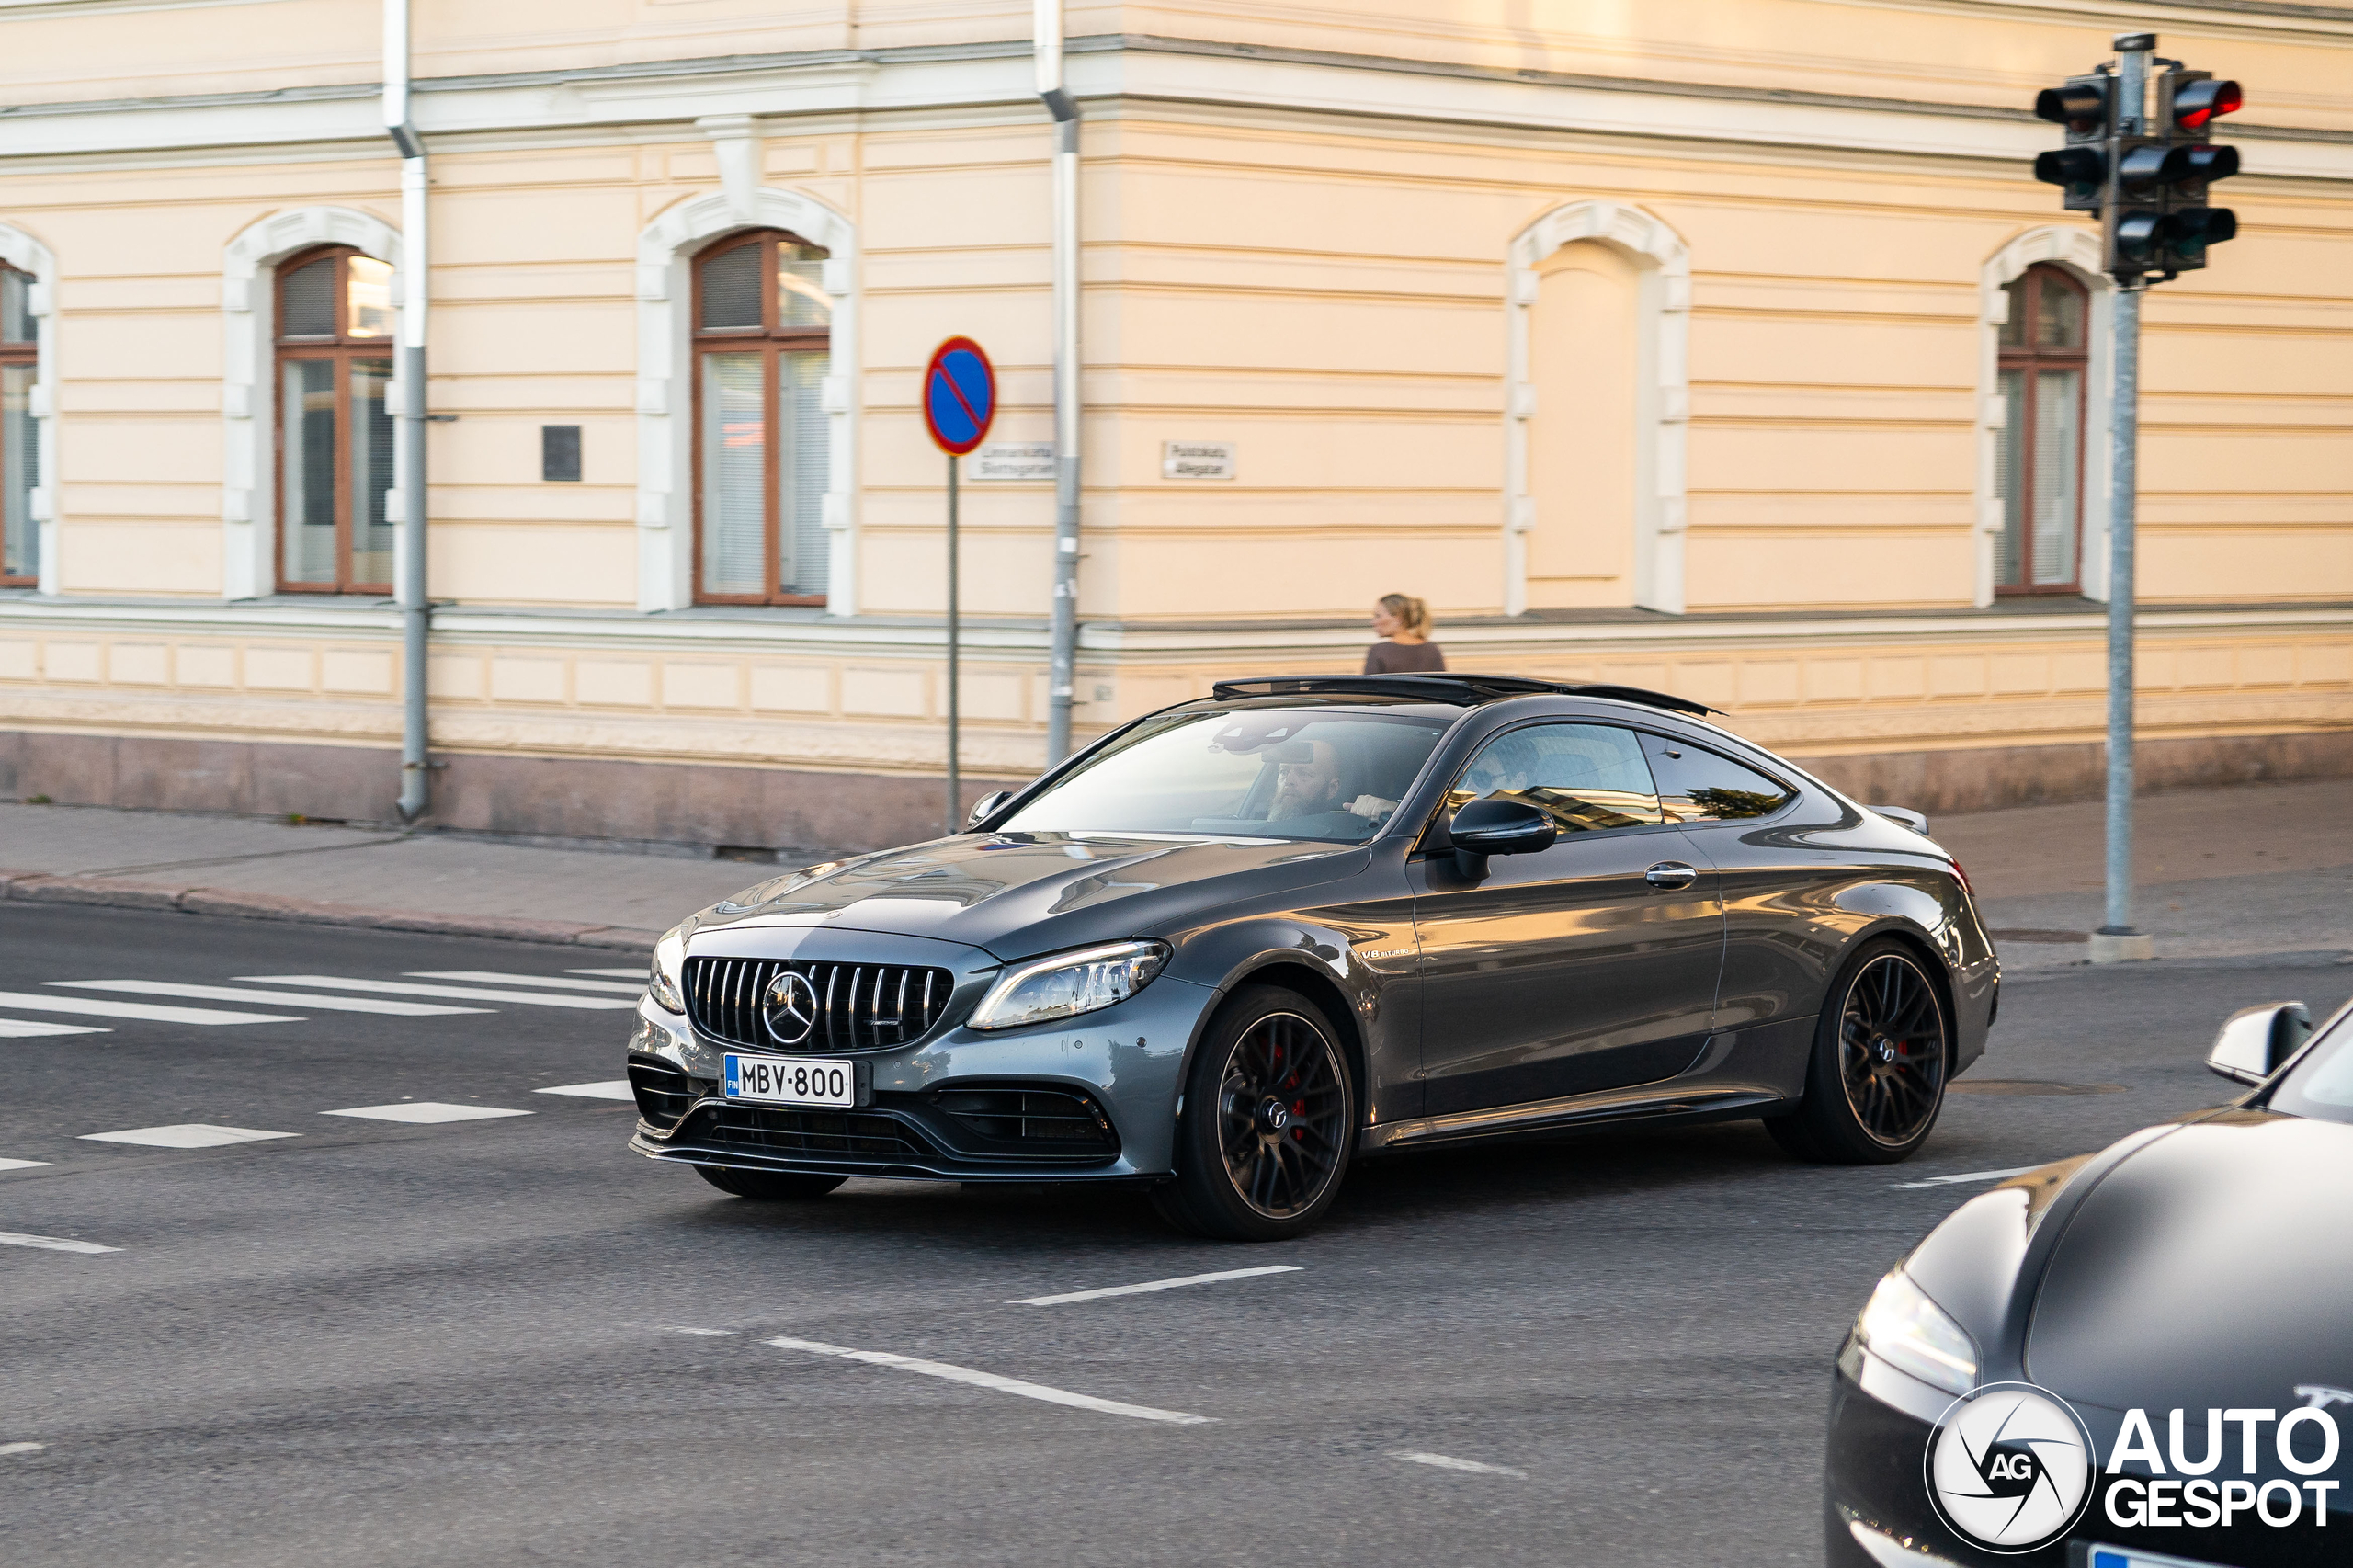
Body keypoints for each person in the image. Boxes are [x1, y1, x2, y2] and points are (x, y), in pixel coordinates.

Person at [1364, 594, 1444, 674]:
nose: (1373, 622)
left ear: (1399, 618)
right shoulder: (1432, 650)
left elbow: (1368, 685)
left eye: (1378, 616)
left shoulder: (1379, 651)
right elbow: (1443, 684)